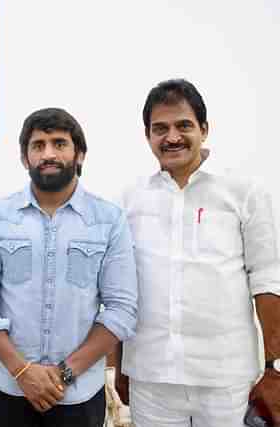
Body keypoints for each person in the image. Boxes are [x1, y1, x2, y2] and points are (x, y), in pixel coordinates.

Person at [115, 79, 280, 427]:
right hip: (151, 373)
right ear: (147, 136)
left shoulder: (243, 192)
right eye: (160, 128)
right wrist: (120, 366)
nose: (172, 137)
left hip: (225, 375)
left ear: (204, 129)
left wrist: (273, 367)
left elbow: (266, 278)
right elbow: (118, 289)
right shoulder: (130, 200)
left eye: (183, 125)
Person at [0, 108, 138, 427]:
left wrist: (64, 373)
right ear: (24, 158)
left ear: (80, 155)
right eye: (38, 145)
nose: (48, 153)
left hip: (79, 394)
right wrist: (22, 371)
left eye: (59, 143)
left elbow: (121, 309)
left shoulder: (108, 220)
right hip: (9, 389)